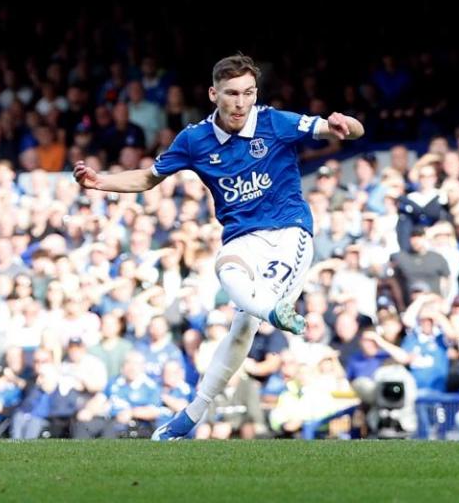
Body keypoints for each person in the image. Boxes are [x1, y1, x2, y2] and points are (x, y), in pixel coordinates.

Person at [74, 54, 363, 440]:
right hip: (243, 238)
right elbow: (147, 178)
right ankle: (264, 324)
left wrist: (346, 123)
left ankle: (196, 408)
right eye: (231, 93)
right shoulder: (194, 140)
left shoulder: (276, 122)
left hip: (289, 233)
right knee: (228, 280)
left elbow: (352, 131)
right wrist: (100, 182)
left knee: (243, 320)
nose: (240, 102)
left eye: (248, 93)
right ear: (214, 94)